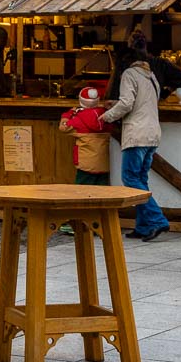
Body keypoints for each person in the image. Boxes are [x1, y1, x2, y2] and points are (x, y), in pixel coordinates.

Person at [101, 46, 168, 240]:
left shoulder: (129, 74)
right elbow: (140, 103)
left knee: (130, 179)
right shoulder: (151, 76)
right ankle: (144, 226)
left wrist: (107, 116)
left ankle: (157, 220)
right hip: (152, 133)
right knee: (140, 180)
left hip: (137, 134)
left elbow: (127, 103)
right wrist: (117, 105)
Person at [60, 84, 110, 185]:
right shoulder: (107, 116)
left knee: (82, 193)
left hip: (85, 166)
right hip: (105, 165)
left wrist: (67, 115)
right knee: (103, 193)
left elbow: (63, 128)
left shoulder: (78, 120)